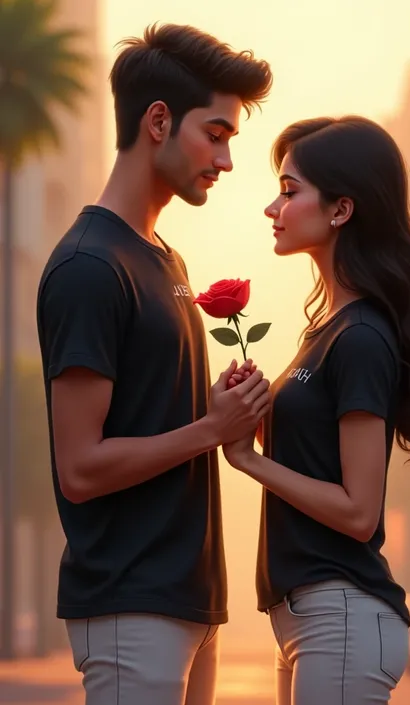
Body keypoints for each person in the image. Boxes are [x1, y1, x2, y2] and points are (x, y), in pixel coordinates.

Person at [36, 23, 272, 705]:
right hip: (129, 604)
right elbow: (79, 468)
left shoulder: (163, 259)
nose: (226, 161)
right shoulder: (88, 266)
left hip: (188, 601)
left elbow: (154, 417)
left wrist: (220, 409)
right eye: (218, 133)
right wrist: (208, 428)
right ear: (159, 121)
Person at [223, 116, 410, 704]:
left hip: (341, 613)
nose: (274, 207)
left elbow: (357, 510)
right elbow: (317, 460)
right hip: (308, 614)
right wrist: (254, 406)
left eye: (290, 191)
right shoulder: (326, 331)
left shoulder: (363, 337)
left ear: (341, 210)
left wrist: (248, 459)